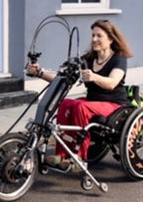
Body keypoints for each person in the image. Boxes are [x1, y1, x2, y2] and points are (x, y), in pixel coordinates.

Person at [26, 19, 132, 171]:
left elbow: (112, 82)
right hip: (93, 102)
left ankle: (80, 158)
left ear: (110, 38)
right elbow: (60, 77)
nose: (94, 39)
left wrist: (94, 76)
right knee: (65, 103)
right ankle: (62, 154)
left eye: (99, 36)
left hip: (114, 104)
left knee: (81, 107)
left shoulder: (118, 59)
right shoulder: (88, 59)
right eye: (93, 35)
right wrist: (39, 72)